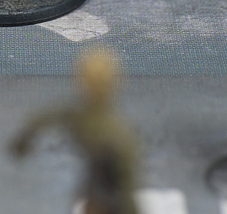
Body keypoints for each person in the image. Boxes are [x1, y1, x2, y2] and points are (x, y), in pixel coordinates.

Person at [10, 48, 141, 214]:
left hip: (100, 193)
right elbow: (127, 187)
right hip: (101, 193)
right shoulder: (117, 134)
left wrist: (23, 141)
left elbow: (46, 118)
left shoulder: (82, 118)